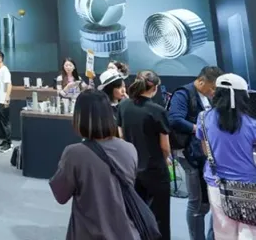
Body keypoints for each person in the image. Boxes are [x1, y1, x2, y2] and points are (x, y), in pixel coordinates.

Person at [49, 90, 139, 239]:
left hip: (88, 233)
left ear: (79, 118)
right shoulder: (129, 149)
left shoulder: (74, 153)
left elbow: (61, 195)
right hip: (126, 232)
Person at [195, 73, 256, 238]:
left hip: (216, 182)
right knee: (249, 231)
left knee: (222, 230)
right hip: (248, 183)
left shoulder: (203, 118)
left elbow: (206, 150)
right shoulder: (251, 123)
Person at [169, 66, 223, 240]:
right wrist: (199, 128)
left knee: (212, 202)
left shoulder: (209, 97)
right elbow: (174, 119)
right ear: (201, 81)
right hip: (189, 154)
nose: (213, 92)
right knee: (197, 203)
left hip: (206, 154)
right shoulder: (183, 94)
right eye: (212, 87)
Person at [117, 70, 171, 240]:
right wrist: (165, 159)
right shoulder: (157, 111)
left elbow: (121, 136)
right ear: (154, 88)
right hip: (155, 169)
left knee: (135, 215)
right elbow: (165, 147)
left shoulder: (123, 106)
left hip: (132, 168)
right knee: (160, 217)